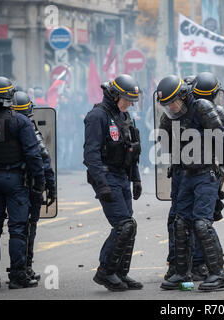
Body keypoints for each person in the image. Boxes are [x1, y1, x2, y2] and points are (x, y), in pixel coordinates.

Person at [157, 75, 224, 291]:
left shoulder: (201, 107)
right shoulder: (171, 115)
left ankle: (218, 275)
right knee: (180, 222)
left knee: (202, 223)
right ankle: (182, 273)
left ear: (183, 95)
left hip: (205, 174)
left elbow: (223, 136)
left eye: (173, 102)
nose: (171, 107)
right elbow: (164, 140)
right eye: (167, 104)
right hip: (186, 174)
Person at [0, 76, 45, 289]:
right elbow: (34, 156)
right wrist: (40, 183)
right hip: (16, 180)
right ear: (10, 95)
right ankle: (17, 276)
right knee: (17, 228)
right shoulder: (20, 120)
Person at [83, 74, 143, 291]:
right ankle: (105, 272)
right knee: (123, 225)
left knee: (130, 225)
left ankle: (120, 273)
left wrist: (135, 178)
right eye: (126, 98)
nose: (129, 103)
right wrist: (102, 184)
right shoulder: (97, 116)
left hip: (122, 176)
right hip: (107, 176)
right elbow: (91, 154)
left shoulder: (123, 116)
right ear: (115, 94)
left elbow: (131, 150)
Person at [12, 91, 57, 280]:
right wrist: (49, 185)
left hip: (3, 183)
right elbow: (42, 157)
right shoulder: (27, 126)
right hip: (28, 184)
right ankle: (24, 269)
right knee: (28, 226)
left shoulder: (0, 124)